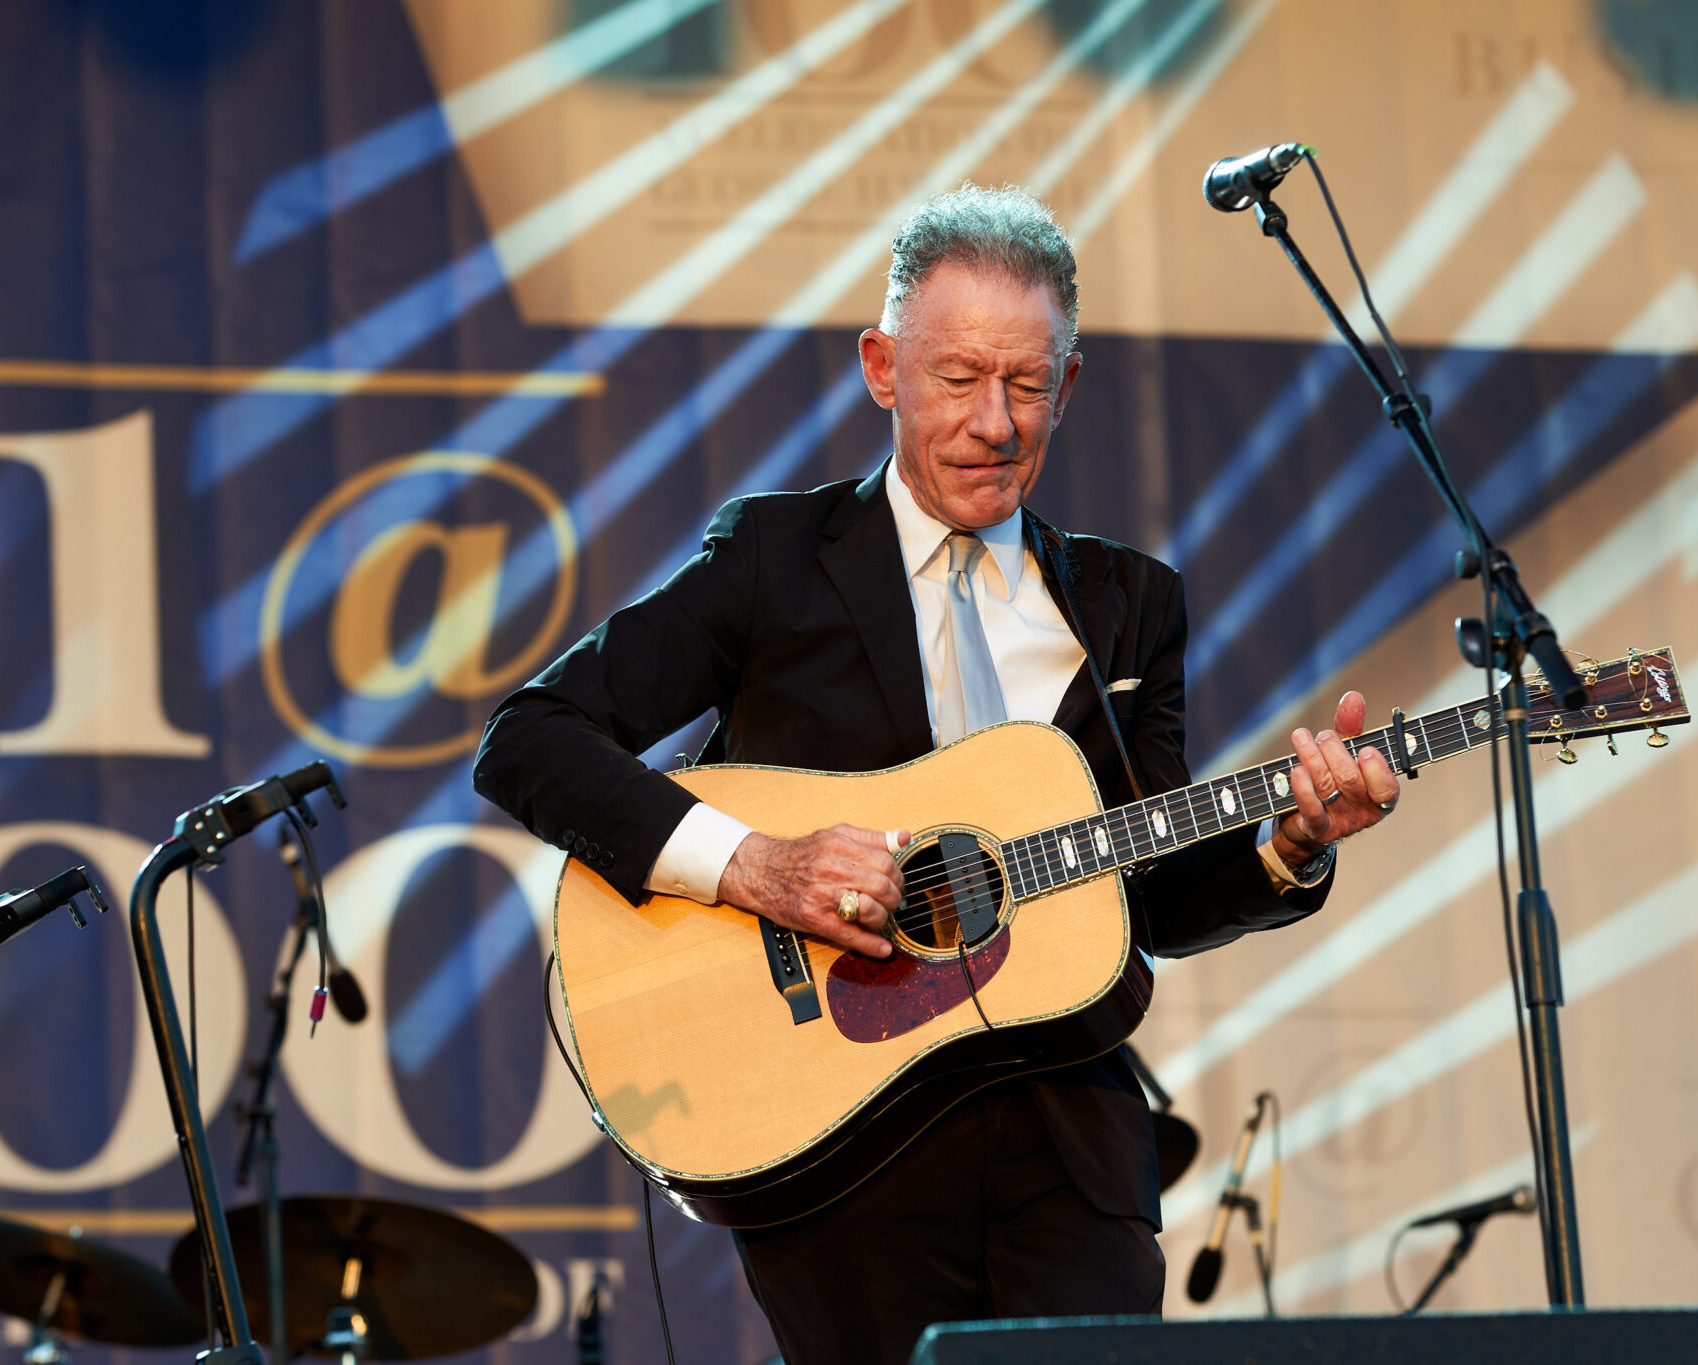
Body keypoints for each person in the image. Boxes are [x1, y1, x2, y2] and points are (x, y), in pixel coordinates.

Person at [472, 185, 1400, 1364]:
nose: (994, 424)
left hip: (1070, 1126)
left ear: (1066, 386)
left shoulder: (1126, 605)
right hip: (847, 1139)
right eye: (957, 378)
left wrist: (1287, 844)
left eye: (1024, 384)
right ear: (881, 367)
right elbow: (529, 740)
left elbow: (1148, 898)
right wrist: (757, 866)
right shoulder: (772, 562)